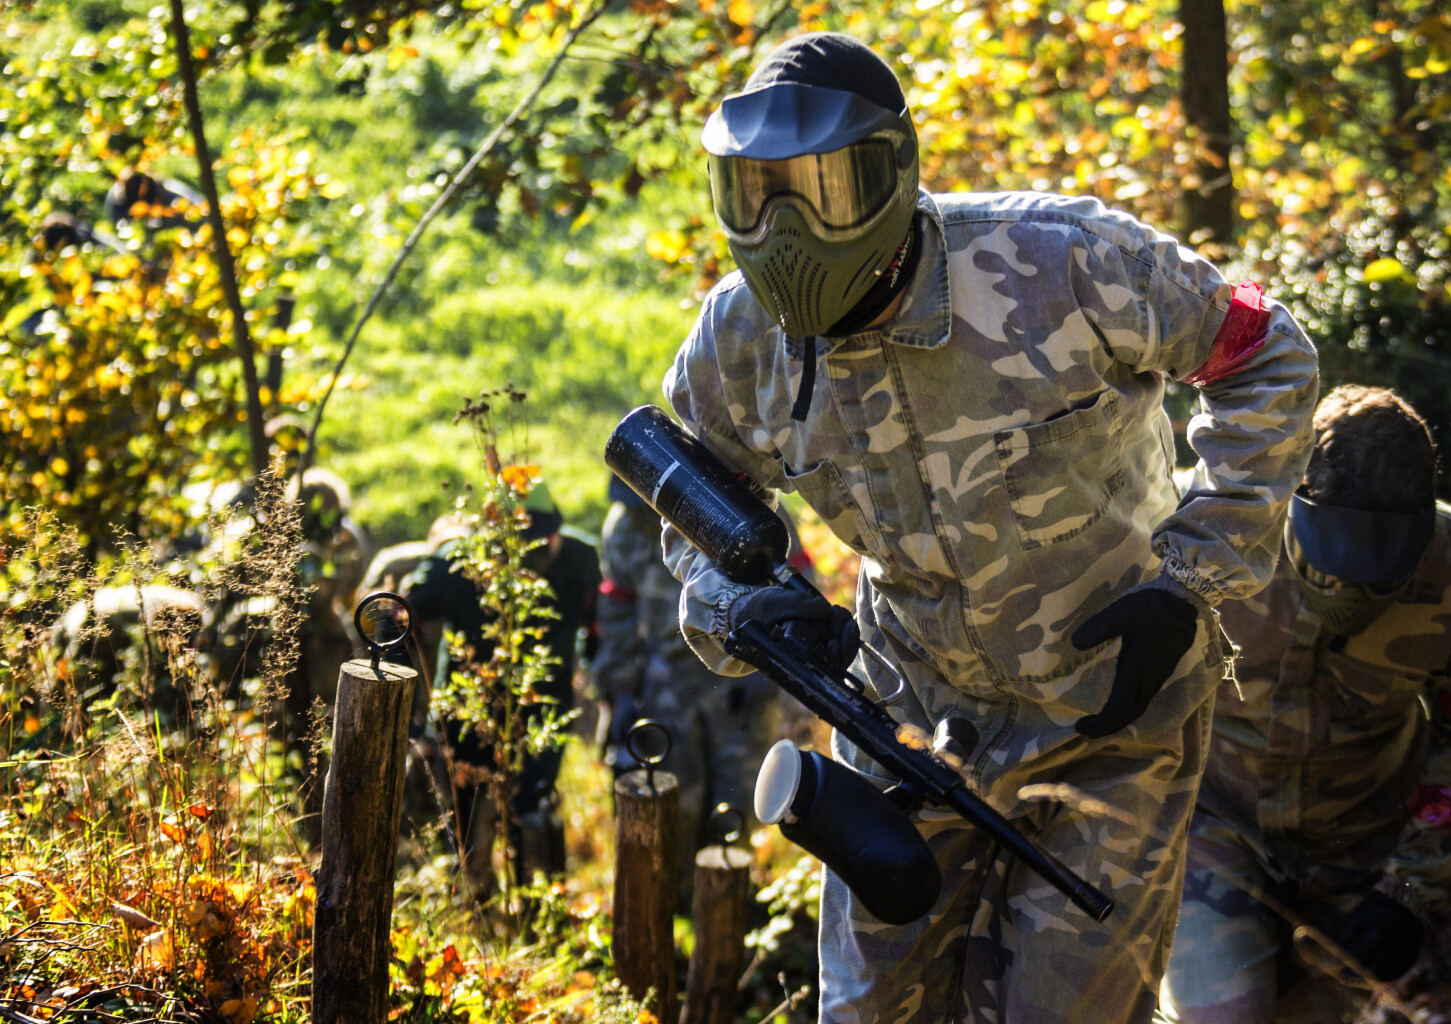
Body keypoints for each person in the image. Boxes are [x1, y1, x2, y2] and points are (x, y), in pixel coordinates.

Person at [658, 31, 1319, 1024]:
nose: (787, 226)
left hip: (1110, 719)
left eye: (824, 188)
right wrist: (752, 605)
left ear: (893, 174)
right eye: (758, 192)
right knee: (869, 1014)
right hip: (906, 721)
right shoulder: (736, 340)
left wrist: (1190, 582)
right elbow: (697, 506)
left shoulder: (1063, 262)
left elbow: (1264, 351)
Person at [1160, 384, 1451, 1023]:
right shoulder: (1211, 524)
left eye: (1375, 576)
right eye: (1333, 567)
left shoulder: (1446, 573)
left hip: (1359, 865)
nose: (1348, 585)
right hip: (1215, 830)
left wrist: (1408, 890)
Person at [592, 474, 806, 902]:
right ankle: (677, 905)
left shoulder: (756, 515)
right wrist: (616, 697)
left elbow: (799, 601)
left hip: (743, 686)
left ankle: (729, 906)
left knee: (739, 799)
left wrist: (772, 673)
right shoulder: (624, 528)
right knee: (676, 799)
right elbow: (616, 617)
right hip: (667, 689)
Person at [406, 482, 600, 898]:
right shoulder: (455, 565)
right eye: (516, 547)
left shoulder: (580, 561)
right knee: (462, 813)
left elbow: (601, 628)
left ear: (556, 532)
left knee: (533, 809)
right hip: (465, 709)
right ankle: (465, 899)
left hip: (543, 709)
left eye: (538, 543)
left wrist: (604, 684)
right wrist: (409, 713)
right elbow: (396, 620)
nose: (528, 558)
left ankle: (535, 904)